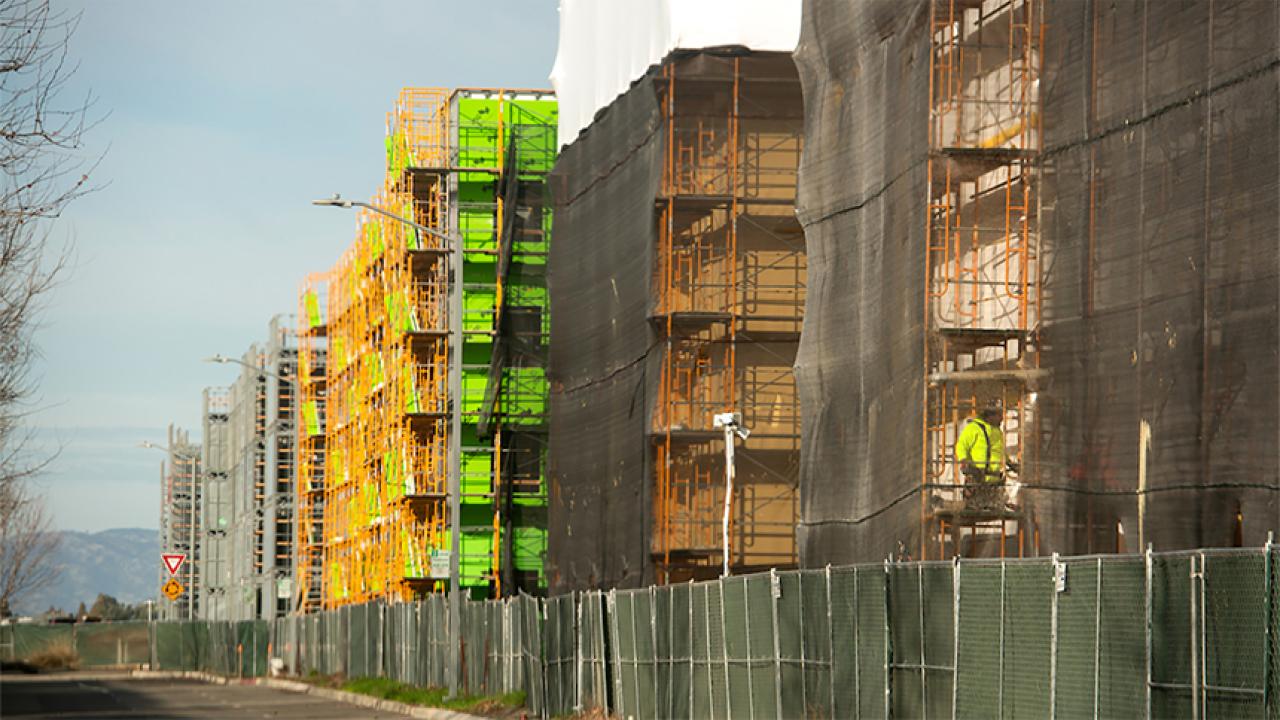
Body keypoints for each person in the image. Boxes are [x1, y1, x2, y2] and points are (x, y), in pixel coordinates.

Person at [955, 401, 1017, 510]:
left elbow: (999, 451)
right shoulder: (974, 428)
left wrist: (1011, 464)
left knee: (997, 509)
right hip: (978, 478)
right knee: (973, 508)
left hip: (995, 481)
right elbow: (961, 446)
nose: (1002, 418)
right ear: (990, 415)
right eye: (999, 415)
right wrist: (964, 461)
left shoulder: (997, 432)